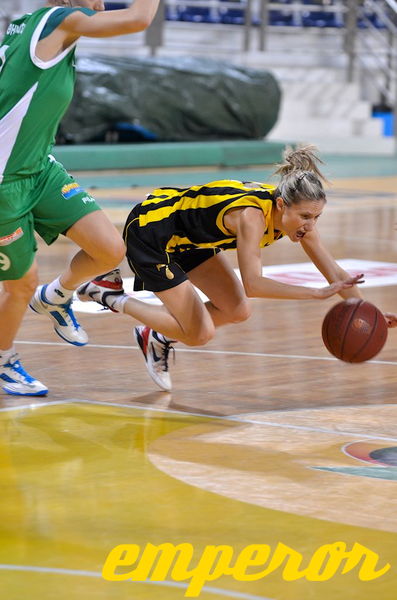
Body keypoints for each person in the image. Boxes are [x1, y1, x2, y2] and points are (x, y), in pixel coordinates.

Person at [77, 145, 397, 392]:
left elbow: (338, 275)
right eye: (305, 217)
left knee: (238, 310)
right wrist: (314, 294)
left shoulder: (296, 219)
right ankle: (107, 294)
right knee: (200, 333)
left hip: (190, 241)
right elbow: (254, 284)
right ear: (282, 205)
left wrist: (368, 311)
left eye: (316, 218)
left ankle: (156, 334)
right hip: (152, 232)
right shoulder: (251, 216)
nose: (310, 226)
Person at [0, 0, 161, 396]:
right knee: (20, 287)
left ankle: (56, 297)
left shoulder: (27, 25)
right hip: (5, 181)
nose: (102, 5)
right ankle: (3, 361)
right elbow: (138, 18)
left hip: (39, 168)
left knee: (108, 249)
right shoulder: (60, 20)